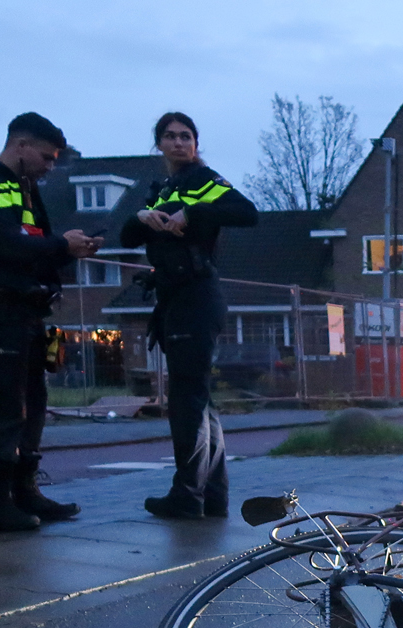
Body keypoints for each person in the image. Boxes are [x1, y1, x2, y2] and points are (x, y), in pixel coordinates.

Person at [0, 112, 100, 531]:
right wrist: (61, 247)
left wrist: (67, 250)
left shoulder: (22, 189)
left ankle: (26, 492)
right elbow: (7, 245)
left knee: (32, 404)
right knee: (6, 407)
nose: (51, 166)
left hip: (25, 312)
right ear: (21, 146)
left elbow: (32, 245)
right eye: (48, 157)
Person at [120, 112, 258, 520]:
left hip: (197, 294)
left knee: (188, 401)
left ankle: (187, 494)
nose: (179, 143)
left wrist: (193, 215)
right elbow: (127, 237)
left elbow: (247, 212)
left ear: (196, 144)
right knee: (197, 398)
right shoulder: (162, 189)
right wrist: (141, 218)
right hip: (175, 298)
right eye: (170, 136)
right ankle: (211, 496)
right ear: (158, 144)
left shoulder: (204, 180)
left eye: (186, 136)